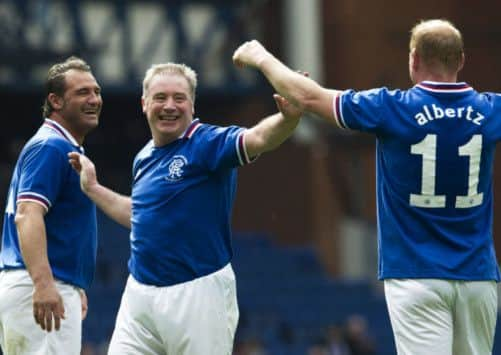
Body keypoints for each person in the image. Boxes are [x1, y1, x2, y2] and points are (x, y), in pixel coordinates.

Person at [233, 19, 500, 355]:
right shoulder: (491, 110)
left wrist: (260, 56)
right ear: (461, 60)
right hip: (478, 276)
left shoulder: (391, 108)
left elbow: (307, 96)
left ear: (413, 59)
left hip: (415, 274)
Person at [68, 62, 303, 355]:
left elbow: (257, 138)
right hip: (139, 295)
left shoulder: (206, 142)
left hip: (198, 294)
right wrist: (92, 188)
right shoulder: (143, 157)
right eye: (160, 97)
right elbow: (141, 217)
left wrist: (287, 120)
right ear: (144, 104)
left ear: (192, 104)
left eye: (179, 98)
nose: (169, 106)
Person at [0, 57, 102, 354]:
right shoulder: (51, 146)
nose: (94, 99)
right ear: (55, 101)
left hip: (44, 281)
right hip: (39, 283)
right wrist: (45, 284)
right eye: (82, 92)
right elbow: (27, 215)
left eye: (96, 91)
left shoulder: (59, 146)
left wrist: (74, 284)